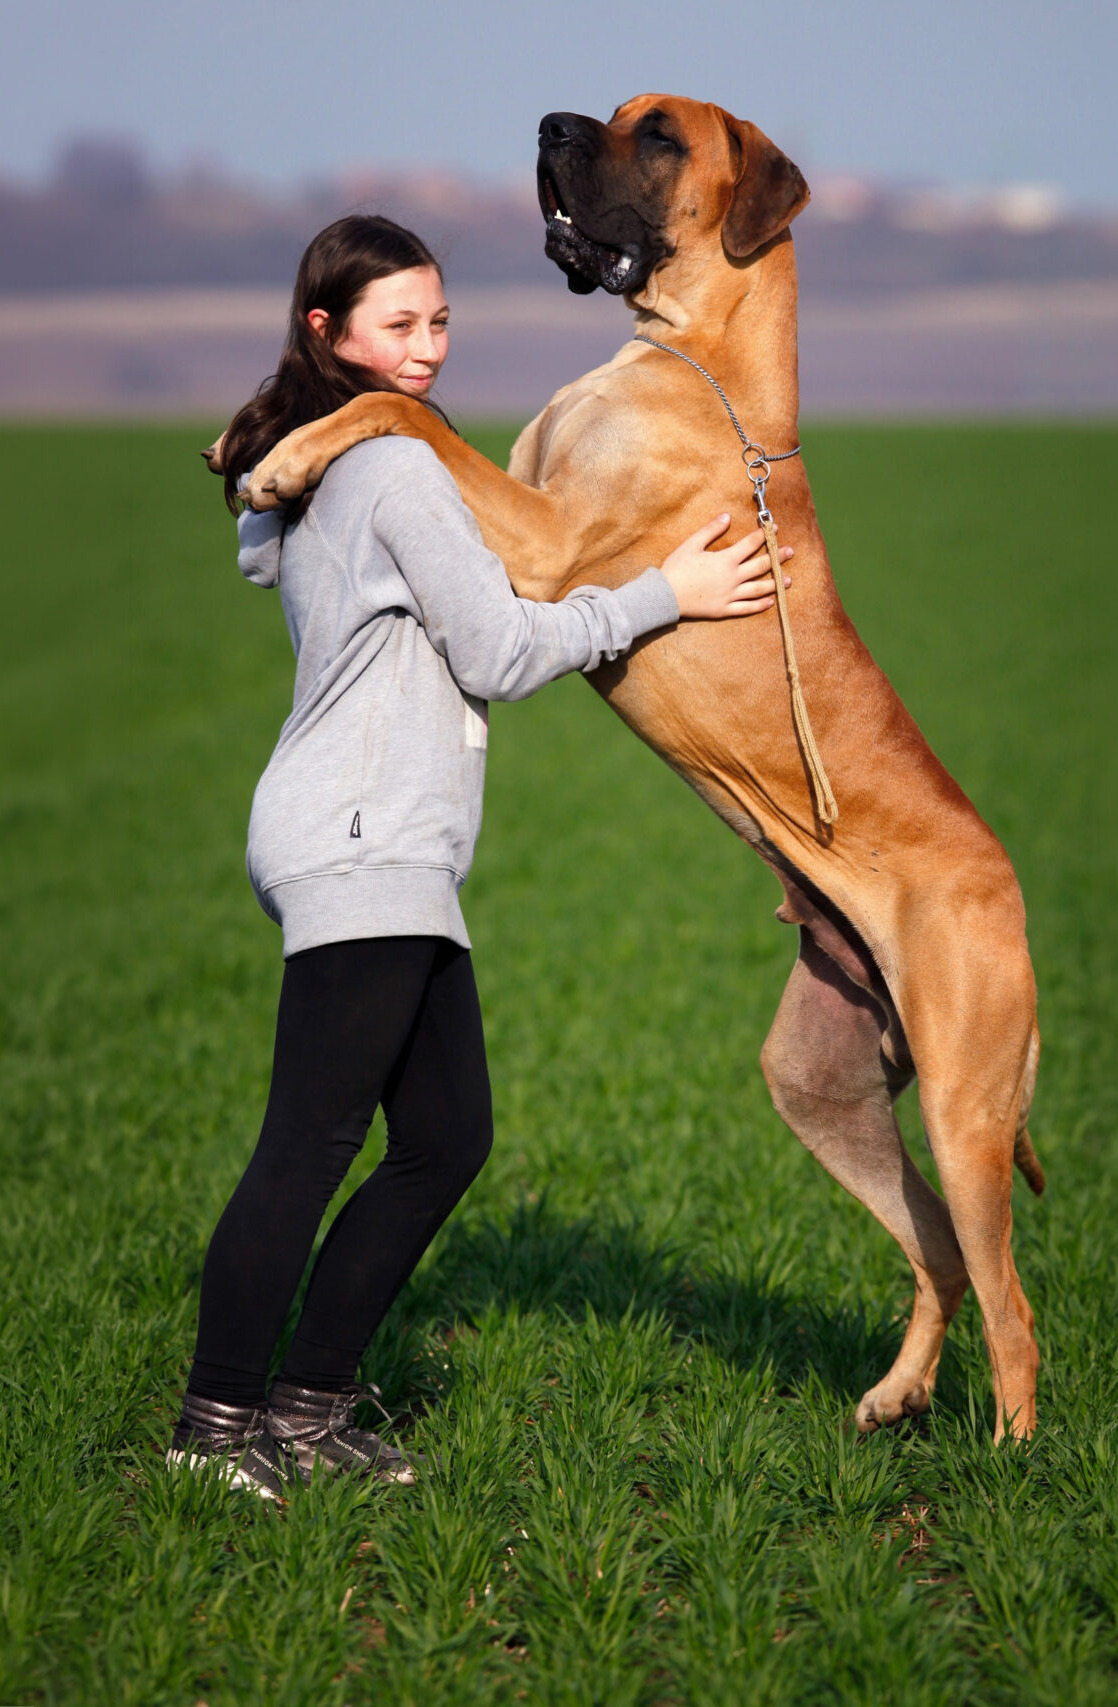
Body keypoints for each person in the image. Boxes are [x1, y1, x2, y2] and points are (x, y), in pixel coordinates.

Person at [173, 215, 786, 1498]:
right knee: (308, 1145)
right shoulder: (394, 474)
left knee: (446, 1140)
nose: (429, 350)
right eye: (399, 325)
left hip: (379, 841)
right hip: (362, 837)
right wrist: (668, 594)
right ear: (326, 334)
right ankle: (212, 1435)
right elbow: (500, 651)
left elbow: (264, 530)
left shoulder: (334, 465)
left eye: (439, 320)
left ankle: (310, 1405)